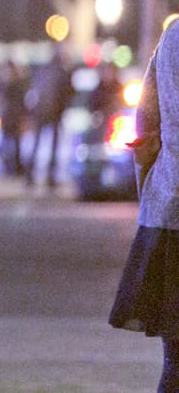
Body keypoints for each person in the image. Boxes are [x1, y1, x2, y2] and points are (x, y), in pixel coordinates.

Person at [110, 21, 179, 392]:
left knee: (176, 361)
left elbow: (145, 125)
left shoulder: (172, 38)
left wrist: (152, 192)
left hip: (169, 214)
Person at [24, 48, 75, 188]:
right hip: (54, 113)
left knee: (36, 144)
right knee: (53, 147)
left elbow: (34, 92)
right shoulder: (62, 73)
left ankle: (29, 177)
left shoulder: (43, 71)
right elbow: (68, 93)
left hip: (41, 113)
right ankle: (50, 178)